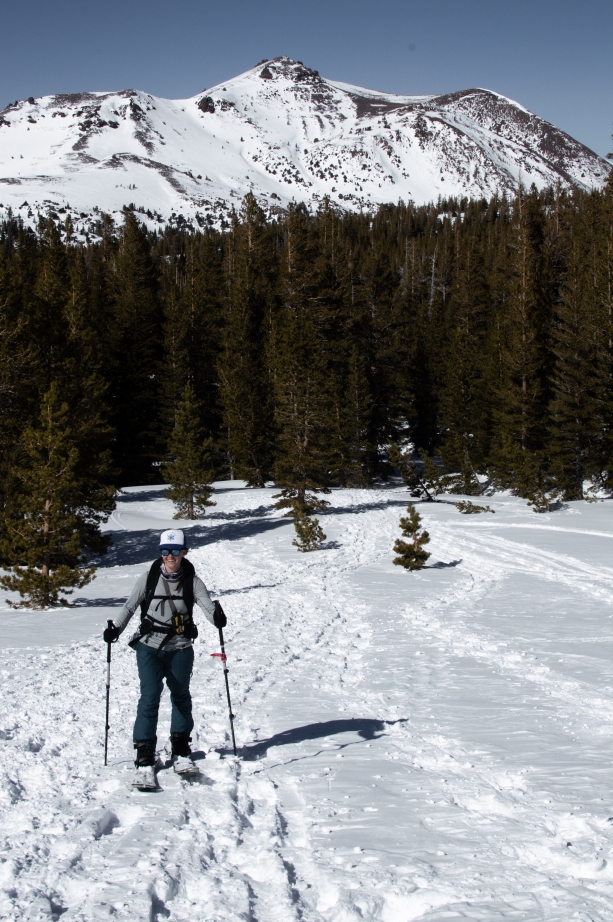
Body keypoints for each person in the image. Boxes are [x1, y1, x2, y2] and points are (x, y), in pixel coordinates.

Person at [103, 528, 227, 788]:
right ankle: (145, 754)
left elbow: (205, 605)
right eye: (165, 551)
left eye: (175, 551)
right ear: (161, 552)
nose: (170, 556)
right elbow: (130, 605)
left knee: (180, 696)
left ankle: (180, 748)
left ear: (184, 551)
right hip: (149, 647)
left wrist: (216, 617)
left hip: (180, 647)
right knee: (149, 698)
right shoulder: (148, 578)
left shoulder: (193, 581)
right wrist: (115, 628)